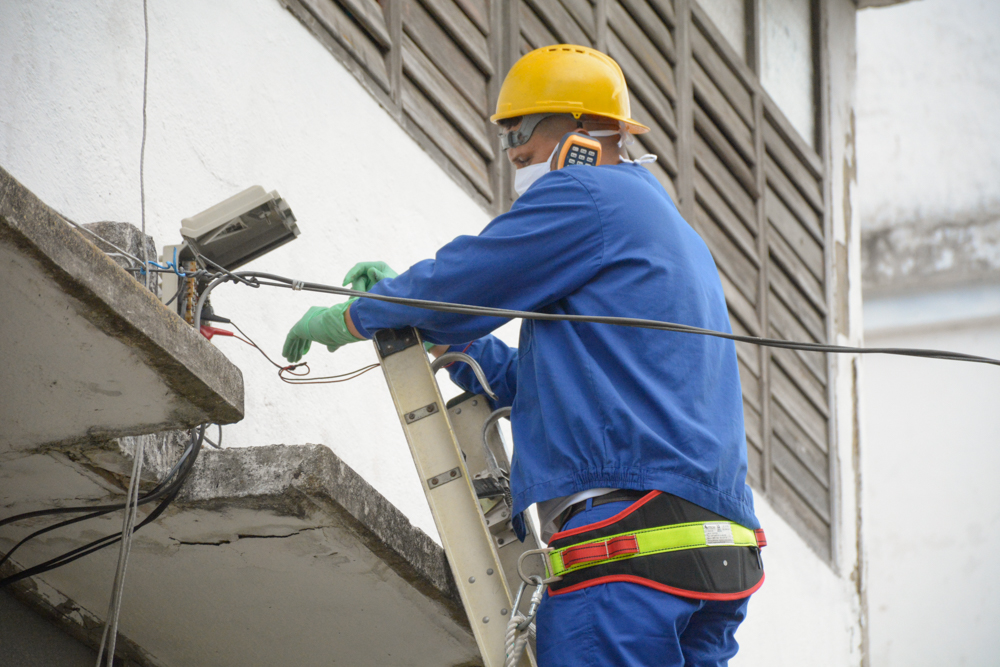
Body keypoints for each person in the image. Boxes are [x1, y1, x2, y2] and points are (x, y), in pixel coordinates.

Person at [283, 44, 763, 667]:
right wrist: (451, 343)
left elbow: (464, 282)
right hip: (718, 554)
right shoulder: (668, 229)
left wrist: (355, 313)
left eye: (525, 127)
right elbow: (567, 394)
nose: (513, 149)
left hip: (632, 545)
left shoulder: (588, 193)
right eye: (508, 132)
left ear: (585, 126)